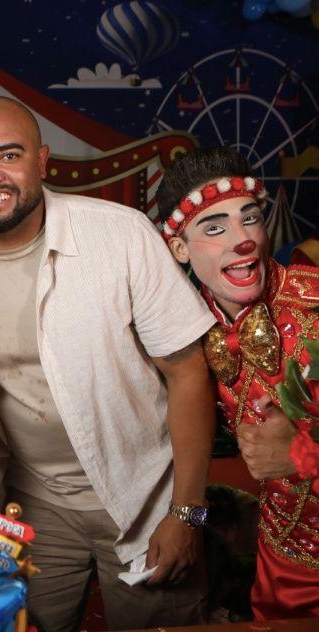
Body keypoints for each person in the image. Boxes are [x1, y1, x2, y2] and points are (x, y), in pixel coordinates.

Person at [0, 96, 217, 631]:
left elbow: (187, 372)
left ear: (42, 159)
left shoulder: (119, 235)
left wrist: (186, 513)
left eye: (8, 155)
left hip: (144, 495)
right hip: (31, 504)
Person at [157, 146, 318, 619]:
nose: (243, 239)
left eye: (250, 219)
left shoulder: (313, 308)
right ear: (179, 248)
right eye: (215, 227)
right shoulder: (186, 337)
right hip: (279, 568)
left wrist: (304, 452)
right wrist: (193, 522)